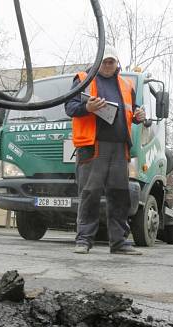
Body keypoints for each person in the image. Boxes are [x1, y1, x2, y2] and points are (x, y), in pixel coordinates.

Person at [65, 45, 146, 255]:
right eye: (104, 61)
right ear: (97, 62)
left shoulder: (127, 85)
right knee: (89, 194)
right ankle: (83, 240)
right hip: (93, 147)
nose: (108, 65)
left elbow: (132, 112)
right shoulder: (83, 78)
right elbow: (70, 107)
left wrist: (138, 117)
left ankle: (119, 243)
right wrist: (87, 108)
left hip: (119, 148)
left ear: (117, 63)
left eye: (112, 61)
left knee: (120, 196)